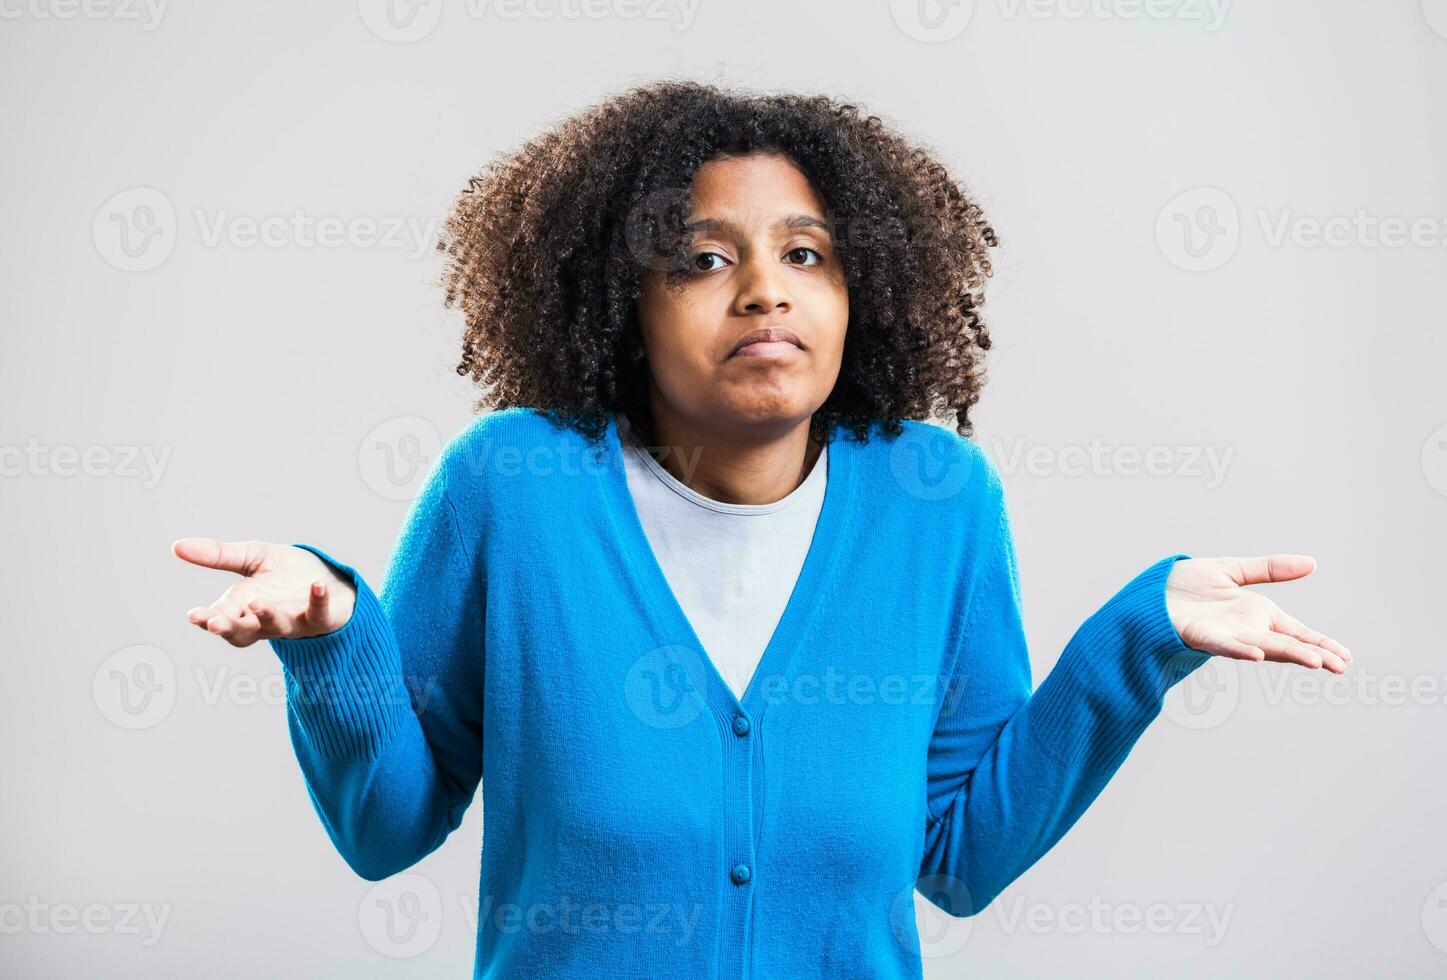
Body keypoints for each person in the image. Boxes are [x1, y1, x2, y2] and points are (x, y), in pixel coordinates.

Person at [172, 80, 1351, 979]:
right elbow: (387, 827)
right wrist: (329, 639)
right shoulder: (514, 487)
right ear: (621, 300)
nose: (764, 290)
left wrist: (1140, 640)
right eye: (701, 258)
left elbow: (960, 856)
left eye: (806, 255)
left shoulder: (937, 501)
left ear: (862, 293)